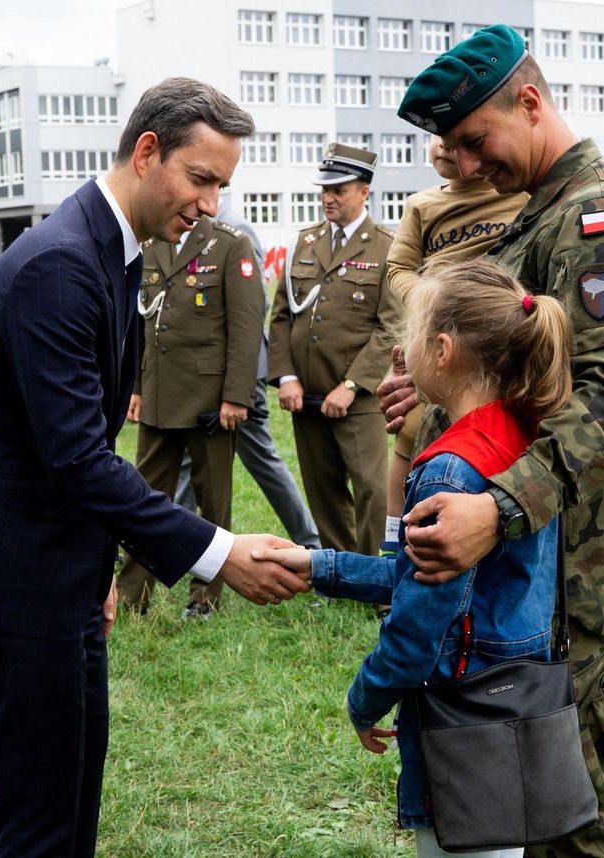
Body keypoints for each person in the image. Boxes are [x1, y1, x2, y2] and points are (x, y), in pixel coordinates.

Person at [0, 77, 310, 858]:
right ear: (147, 151)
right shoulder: (63, 263)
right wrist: (219, 552)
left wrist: (96, 573)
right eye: (203, 179)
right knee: (44, 822)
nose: (212, 204)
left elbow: (79, 441)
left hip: (54, 573)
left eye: (223, 184)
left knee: (70, 798)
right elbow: (79, 458)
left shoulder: (109, 246)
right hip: (8, 579)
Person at [382, 25, 604, 857]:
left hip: (553, 568)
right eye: (451, 149)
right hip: (520, 566)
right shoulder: (540, 215)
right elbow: (527, 366)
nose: (466, 167)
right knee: (521, 804)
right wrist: (441, 390)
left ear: (533, 102)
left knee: (571, 816)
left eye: (475, 141)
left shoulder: (599, 221)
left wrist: (499, 510)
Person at [259, 258, 574, 858]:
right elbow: (423, 576)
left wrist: (364, 699)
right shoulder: (527, 439)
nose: (400, 348)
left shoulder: (449, 469)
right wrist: (317, 566)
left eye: (408, 333)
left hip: (463, 724)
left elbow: (417, 626)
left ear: (443, 349)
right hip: (520, 710)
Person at [380, 138, 528, 551]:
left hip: (492, 334)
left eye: (457, 137)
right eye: (436, 137)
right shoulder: (421, 205)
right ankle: (395, 540)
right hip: (439, 335)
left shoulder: (516, 197)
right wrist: (432, 300)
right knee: (408, 432)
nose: (444, 146)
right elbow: (398, 267)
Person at [117, 214, 266, 619]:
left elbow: (246, 327)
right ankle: (132, 595)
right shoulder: (153, 242)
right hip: (160, 395)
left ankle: (205, 597)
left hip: (210, 401)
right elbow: (141, 324)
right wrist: (136, 387)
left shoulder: (230, 244)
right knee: (141, 496)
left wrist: (237, 396)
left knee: (213, 502)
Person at [268, 143, 401, 556]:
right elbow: (281, 316)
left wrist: (352, 384)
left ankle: (374, 576)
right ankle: (340, 572)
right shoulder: (302, 244)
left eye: (339, 189)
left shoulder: (387, 247)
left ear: (364, 191)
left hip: (357, 398)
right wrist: (286, 376)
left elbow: (391, 327)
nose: (328, 197)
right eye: (324, 189)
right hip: (306, 395)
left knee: (371, 491)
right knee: (323, 489)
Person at [173, 193, 321, 550]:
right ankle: (171, 544)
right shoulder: (189, 229)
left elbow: (253, 308)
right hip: (203, 373)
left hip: (239, 373)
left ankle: (311, 543)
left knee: (260, 457)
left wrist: (237, 382)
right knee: (190, 457)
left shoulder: (235, 229)